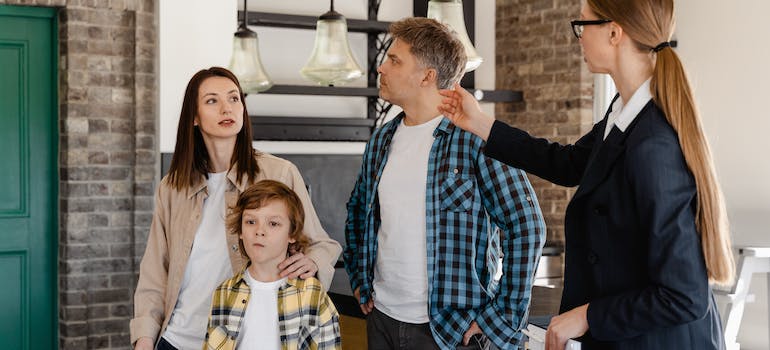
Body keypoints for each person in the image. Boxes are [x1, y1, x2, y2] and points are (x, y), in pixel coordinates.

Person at [438, 0, 735, 349]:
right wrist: (480, 123)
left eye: (583, 24)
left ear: (614, 32)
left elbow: (684, 296)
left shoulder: (653, 144)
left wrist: (587, 315)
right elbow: (566, 163)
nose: (578, 36)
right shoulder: (623, 113)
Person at [344, 17, 546, 350]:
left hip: (451, 331)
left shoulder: (475, 138)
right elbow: (359, 210)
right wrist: (359, 278)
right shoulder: (382, 138)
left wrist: (500, 318)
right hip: (382, 318)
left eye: (394, 60)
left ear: (427, 75)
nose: (381, 67)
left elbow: (527, 226)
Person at [130, 67, 342, 350]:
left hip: (243, 340)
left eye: (233, 99)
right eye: (212, 101)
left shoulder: (279, 172)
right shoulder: (172, 187)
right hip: (177, 338)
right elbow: (155, 272)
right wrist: (145, 340)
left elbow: (322, 244)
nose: (226, 108)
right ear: (193, 117)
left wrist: (313, 261)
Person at [203, 180, 341, 350]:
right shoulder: (224, 292)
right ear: (239, 231)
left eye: (273, 223)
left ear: (292, 233)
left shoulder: (312, 294)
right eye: (250, 222)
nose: (259, 231)